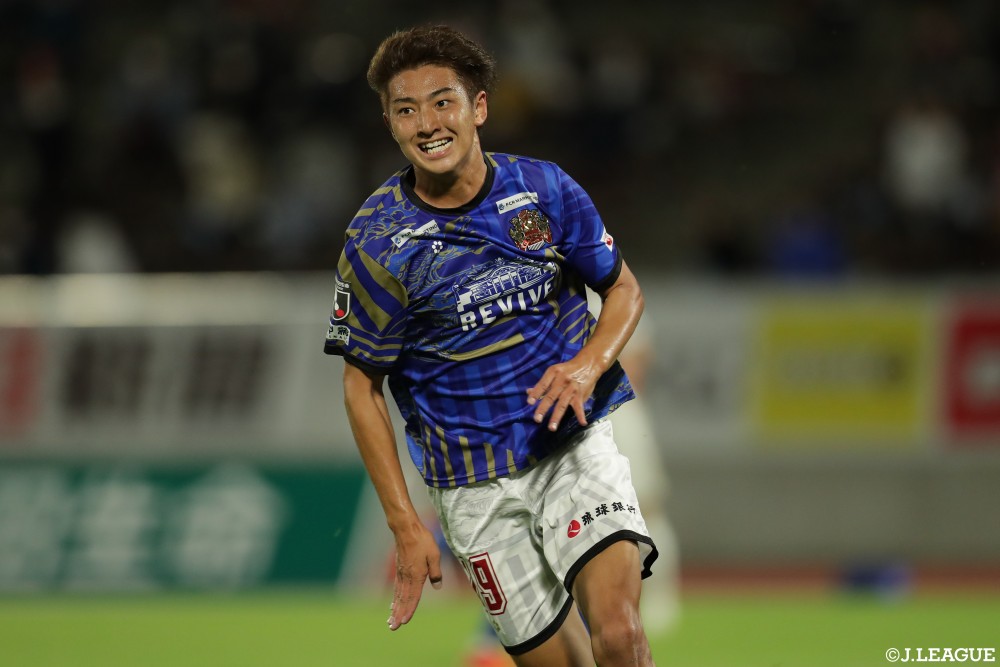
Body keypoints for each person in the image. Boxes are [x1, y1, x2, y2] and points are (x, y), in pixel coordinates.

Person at [325, 25, 657, 666]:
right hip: (471, 486)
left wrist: (586, 367)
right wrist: (405, 524)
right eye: (406, 110)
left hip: (570, 446)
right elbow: (360, 387)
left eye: (442, 102)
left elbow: (623, 290)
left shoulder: (544, 189)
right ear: (390, 124)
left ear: (477, 107)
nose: (428, 124)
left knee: (618, 633)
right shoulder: (377, 243)